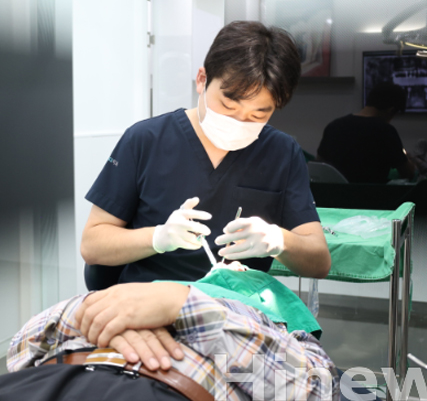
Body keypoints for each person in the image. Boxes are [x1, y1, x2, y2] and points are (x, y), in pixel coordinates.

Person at [80, 20, 331, 285]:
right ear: (202, 80)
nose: (239, 122)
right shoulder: (145, 140)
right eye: (228, 106)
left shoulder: (281, 152)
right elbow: (92, 245)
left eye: (258, 115)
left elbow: (319, 263)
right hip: (151, 296)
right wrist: (157, 237)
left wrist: (280, 240)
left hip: (236, 302)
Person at [2, 267, 340, 401]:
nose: (227, 269)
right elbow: (19, 351)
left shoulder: (274, 327)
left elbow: (315, 392)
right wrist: (88, 312)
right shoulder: (125, 300)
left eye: (245, 272)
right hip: (48, 380)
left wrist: (187, 307)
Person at [316, 82, 416, 184]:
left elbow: (319, 164)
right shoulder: (386, 131)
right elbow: (408, 173)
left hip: (334, 193)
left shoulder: (334, 126)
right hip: (371, 193)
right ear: (391, 111)